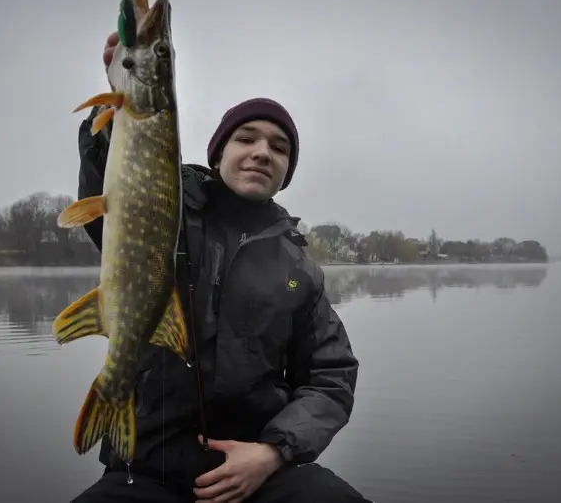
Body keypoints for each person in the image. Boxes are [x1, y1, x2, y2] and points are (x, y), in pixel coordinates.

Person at [69, 30, 368, 503]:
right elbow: (116, 180)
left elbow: (331, 379)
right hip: (150, 468)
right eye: (246, 138)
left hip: (260, 470)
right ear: (219, 153)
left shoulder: (300, 269)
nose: (262, 152)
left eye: (279, 147)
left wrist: (273, 452)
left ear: (286, 171)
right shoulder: (169, 208)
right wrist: (118, 97)